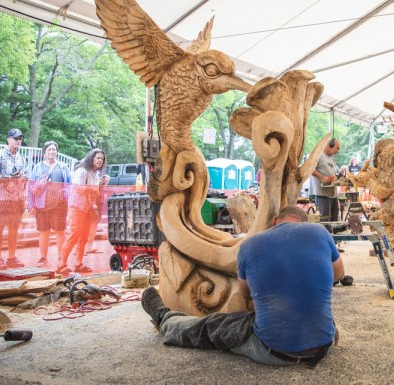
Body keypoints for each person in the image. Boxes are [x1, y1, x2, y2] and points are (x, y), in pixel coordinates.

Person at [141, 206, 344, 367]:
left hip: (273, 349)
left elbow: (246, 293)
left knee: (213, 326)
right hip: (323, 345)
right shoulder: (319, 231)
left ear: (274, 222)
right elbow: (338, 274)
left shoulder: (249, 244)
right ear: (303, 223)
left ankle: (164, 319)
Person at [57, 148, 109, 275]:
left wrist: (94, 206)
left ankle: (78, 264)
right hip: (77, 207)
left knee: (84, 237)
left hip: (88, 208)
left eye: (102, 159)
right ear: (91, 158)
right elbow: (78, 188)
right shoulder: (81, 171)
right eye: (98, 158)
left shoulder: (95, 174)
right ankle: (61, 265)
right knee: (73, 235)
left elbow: (95, 193)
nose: (100, 161)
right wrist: (93, 190)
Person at [0, 128, 29, 270]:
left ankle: (11, 257)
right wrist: (8, 178)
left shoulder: (21, 157)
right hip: (1, 198)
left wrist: (23, 180)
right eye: (15, 138)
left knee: (14, 228)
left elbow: (25, 178)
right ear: (8, 139)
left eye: (20, 139)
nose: (18, 141)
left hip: (17, 199)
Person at [29, 141, 71, 267]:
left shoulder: (63, 166)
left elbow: (69, 185)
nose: (52, 152)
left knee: (60, 231)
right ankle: (43, 258)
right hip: (42, 205)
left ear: (57, 152)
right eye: (49, 149)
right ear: (44, 152)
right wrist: (31, 205)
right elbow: (30, 187)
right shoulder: (37, 167)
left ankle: (61, 257)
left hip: (59, 205)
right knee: (43, 231)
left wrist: (66, 198)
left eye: (54, 149)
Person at [310, 138, 341, 222]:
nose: (338, 151)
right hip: (322, 194)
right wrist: (322, 178)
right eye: (337, 148)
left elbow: (332, 172)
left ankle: (333, 235)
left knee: (335, 219)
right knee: (325, 220)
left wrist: (338, 178)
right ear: (330, 145)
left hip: (332, 193)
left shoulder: (331, 158)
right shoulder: (318, 154)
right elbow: (310, 168)